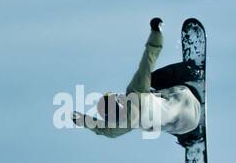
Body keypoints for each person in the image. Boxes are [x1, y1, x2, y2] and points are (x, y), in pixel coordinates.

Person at [73, 18, 201, 138]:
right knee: (154, 79)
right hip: (189, 98)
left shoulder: (125, 125)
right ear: (117, 100)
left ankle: (190, 138)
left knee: (156, 123)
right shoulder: (135, 92)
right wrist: (156, 33)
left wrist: (82, 120)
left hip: (187, 127)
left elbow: (104, 130)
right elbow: (148, 61)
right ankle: (192, 71)